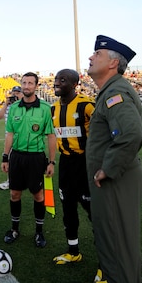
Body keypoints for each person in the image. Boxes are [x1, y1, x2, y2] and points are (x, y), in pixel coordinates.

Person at [86, 35, 142, 283]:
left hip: (115, 180)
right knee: (117, 239)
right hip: (116, 180)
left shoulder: (116, 90)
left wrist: (106, 170)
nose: (90, 57)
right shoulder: (110, 90)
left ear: (113, 62)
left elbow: (131, 135)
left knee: (118, 241)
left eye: (97, 53)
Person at [1, 72, 56, 248]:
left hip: (36, 157)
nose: (26, 86)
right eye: (24, 83)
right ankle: (14, 229)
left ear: (36, 86)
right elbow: (10, 134)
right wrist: (5, 156)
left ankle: (39, 232)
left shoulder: (46, 108)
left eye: (30, 83)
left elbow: (51, 136)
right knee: (14, 194)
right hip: (16, 156)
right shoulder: (14, 107)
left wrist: (52, 161)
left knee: (38, 195)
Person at [51, 69, 95, 264]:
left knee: (95, 212)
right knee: (68, 209)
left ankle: (106, 261)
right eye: (55, 79)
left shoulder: (87, 105)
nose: (57, 83)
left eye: (63, 80)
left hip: (85, 164)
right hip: (66, 164)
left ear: (75, 84)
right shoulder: (53, 109)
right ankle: (73, 251)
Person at [0, 86, 23, 190]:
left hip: (22, 137)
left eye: (18, 93)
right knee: (10, 160)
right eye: (14, 93)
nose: (15, 95)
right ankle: (10, 181)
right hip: (9, 137)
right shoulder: (8, 106)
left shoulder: (23, 105)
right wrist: (5, 104)